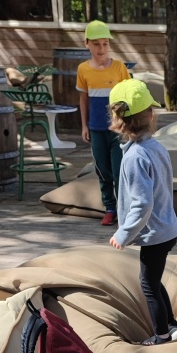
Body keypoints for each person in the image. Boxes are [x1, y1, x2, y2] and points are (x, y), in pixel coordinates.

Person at [107, 79, 177, 347]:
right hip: (167, 228)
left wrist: (124, 233)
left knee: (148, 285)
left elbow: (142, 204)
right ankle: (172, 325)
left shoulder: (134, 157)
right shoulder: (156, 147)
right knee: (153, 279)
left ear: (117, 121)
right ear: (151, 116)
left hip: (154, 233)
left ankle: (161, 335)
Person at [76, 20, 132, 228]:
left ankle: (125, 209)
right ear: (87, 44)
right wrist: (84, 125)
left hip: (118, 129)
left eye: (105, 44)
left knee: (119, 171)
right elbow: (84, 99)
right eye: (96, 44)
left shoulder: (119, 68)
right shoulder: (83, 69)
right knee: (102, 170)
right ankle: (109, 208)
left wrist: (128, 124)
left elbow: (129, 96)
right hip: (96, 128)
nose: (101, 49)